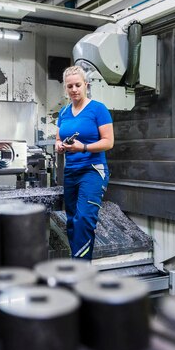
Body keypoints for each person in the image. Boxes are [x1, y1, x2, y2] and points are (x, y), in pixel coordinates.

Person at [55, 66, 114, 260]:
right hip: (71, 172)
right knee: (72, 221)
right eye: (70, 86)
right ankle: (77, 265)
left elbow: (108, 142)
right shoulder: (63, 113)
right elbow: (58, 138)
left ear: (86, 85)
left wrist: (84, 148)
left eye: (78, 85)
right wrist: (59, 146)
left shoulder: (98, 109)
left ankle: (80, 271)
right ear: (66, 88)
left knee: (84, 219)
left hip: (92, 171)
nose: (74, 89)